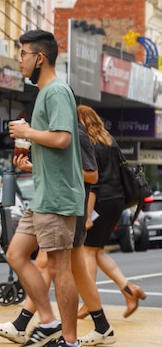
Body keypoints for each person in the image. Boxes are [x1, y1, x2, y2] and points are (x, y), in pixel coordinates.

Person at [0, 117, 115, 345]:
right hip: (57, 205)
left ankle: (31, 325)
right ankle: (101, 326)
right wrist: (32, 166)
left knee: (48, 264)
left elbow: (91, 175)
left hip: (68, 208)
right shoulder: (56, 133)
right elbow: (57, 170)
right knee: (70, 269)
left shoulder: (75, 133)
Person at [6, 30, 85, 347]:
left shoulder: (55, 92)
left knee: (58, 267)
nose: (20, 60)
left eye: (23, 53)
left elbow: (63, 138)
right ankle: (49, 321)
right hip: (44, 194)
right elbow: (58, 151)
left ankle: (69, 340)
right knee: (16, 255)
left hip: (57, 197)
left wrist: (28, 131)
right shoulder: (44, 94)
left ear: (39, 57)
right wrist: (34, 164)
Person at [78, 105, 146, 321]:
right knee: (96, 252)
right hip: (117, 201)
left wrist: (87, 215)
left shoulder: (88, 144)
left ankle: (89, 302)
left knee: (88, 251)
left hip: (100, 202)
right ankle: (129, 290)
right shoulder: (109, 141)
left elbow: (94, 185)